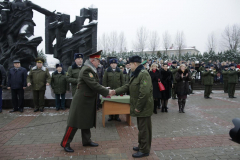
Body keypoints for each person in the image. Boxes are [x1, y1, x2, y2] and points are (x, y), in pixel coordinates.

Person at [61, 50, 114, 152]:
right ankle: (65, 143)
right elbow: (93, 85)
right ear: (93, 60)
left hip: (87, 100)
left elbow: (94, 84)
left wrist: (103, 88)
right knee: (74, 123)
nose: (99, 63)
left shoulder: (90, 69)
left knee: (86, 121)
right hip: (81, 101)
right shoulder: (87, 70)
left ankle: (86, 141)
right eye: (98, 61)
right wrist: (107, 91)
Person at [114, 55, 153, 158]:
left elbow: (144, 93)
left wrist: (138, 107)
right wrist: (115, 91)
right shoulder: (136, 73)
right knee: (141, 128)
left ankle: (144, 150)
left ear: (135, 64)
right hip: (141, 106)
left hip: (144, 107)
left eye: (130, 64)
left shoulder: (143, 74)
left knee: (144, 129)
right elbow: (128, 86)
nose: (129, 66)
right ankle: (142, 146)